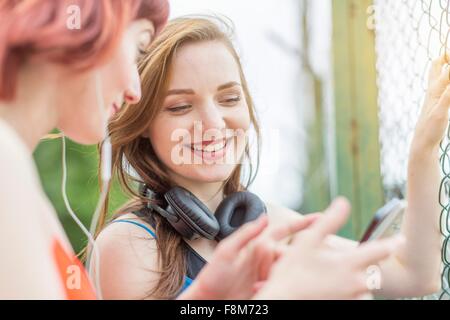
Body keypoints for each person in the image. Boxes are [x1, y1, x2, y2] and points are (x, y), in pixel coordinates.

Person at [0, 0, 401, 300]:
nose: (135, 90)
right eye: (139, 49)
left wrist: (209, 298)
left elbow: (413, 270)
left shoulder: (16, 173)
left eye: (229, 98)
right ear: (88, 23)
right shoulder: (6, 169)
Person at [93, 16, 444, 300]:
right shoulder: (129, 245)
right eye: (181, 106)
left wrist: (422, 151)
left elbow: (412, 274)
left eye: (229, 99)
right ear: (142, 123)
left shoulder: (273, 227)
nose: (213, 124)